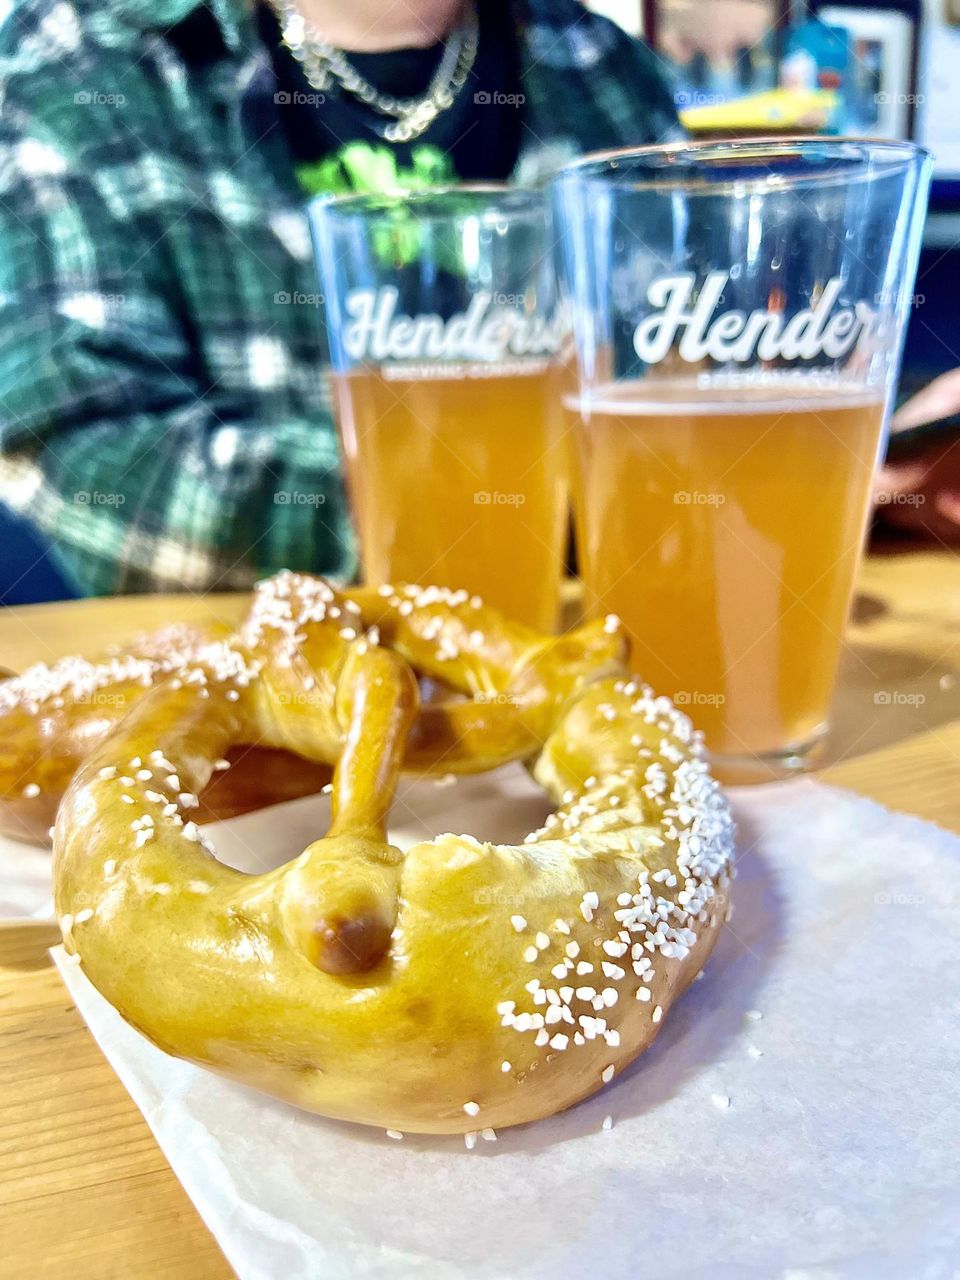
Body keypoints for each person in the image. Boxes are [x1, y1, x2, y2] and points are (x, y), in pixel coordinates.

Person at [0, 0, 680, 595]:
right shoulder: (89, 55)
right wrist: (467, 511)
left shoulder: (603, 65)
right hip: (279, 697)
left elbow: (686, 411)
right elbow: (83, 465)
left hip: (590, 676)